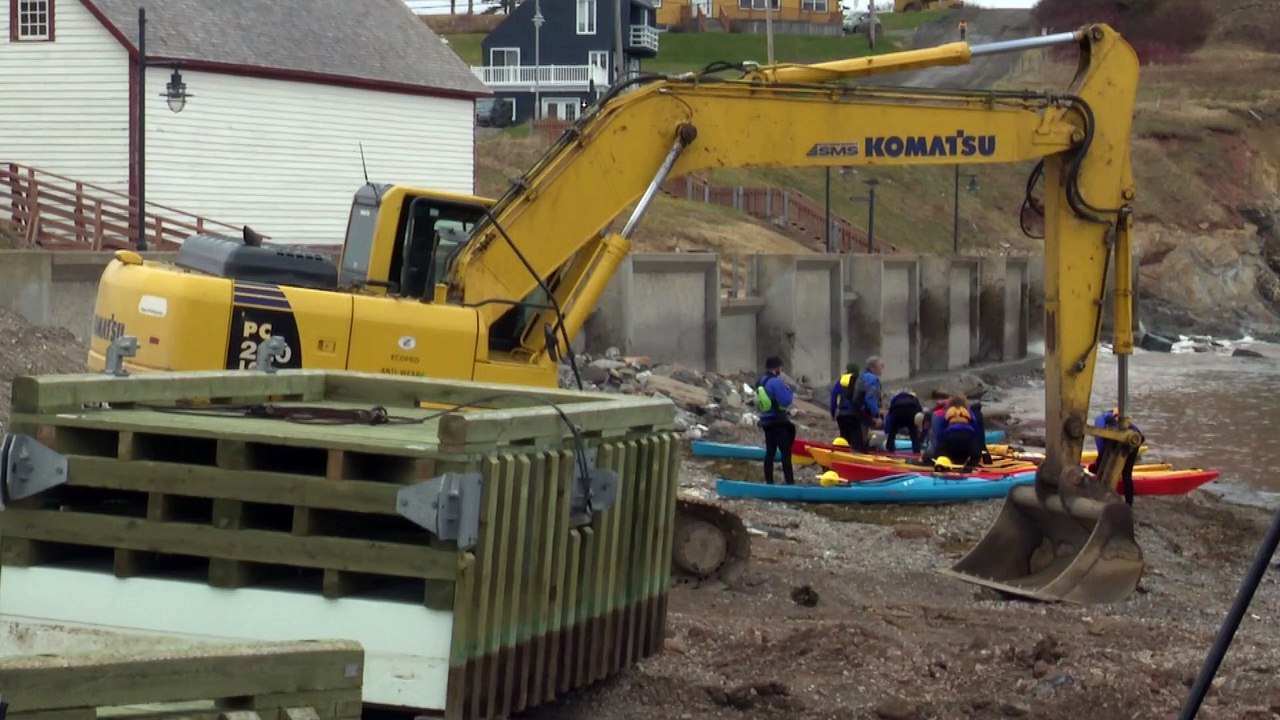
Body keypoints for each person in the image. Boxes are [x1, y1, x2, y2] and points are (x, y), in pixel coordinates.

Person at [756, 356, 796, 485]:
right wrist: (789, 390)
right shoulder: (776, 382)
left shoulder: (762, 380)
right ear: (776, 368)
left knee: (770, 452)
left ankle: (769, 482)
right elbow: (786, 400)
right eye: (779, 367)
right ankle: (790, 482)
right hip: (778, 421)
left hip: (766, 422)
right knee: (785, 452)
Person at [926, 394, 987, 469]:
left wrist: (938, 448)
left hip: (950, 436)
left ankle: (943, 465)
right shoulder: (969, 412)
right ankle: (970, 467)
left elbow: (939, 431)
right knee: (974, 454)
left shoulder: (946, 412)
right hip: (968, 436)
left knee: (942, 453)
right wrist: (977, 446)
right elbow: (976, 429)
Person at [845, 356, 885, 453]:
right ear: (873, 367)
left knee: (857, 439)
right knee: (861, 440)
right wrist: (876, 415)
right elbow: (870, 399)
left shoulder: (863, 375)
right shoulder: (871, 379)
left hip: (855, 411)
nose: (882, 368)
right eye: (880, 366)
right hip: (862, 413)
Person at [829, 361, 860, 447]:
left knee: (844, 438)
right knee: (856, 440)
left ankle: (841, 454)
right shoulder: (859, 381)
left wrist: (832, 412)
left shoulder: (840, 382)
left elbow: (834, 397)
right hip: (855, 414)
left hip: (842, 414)